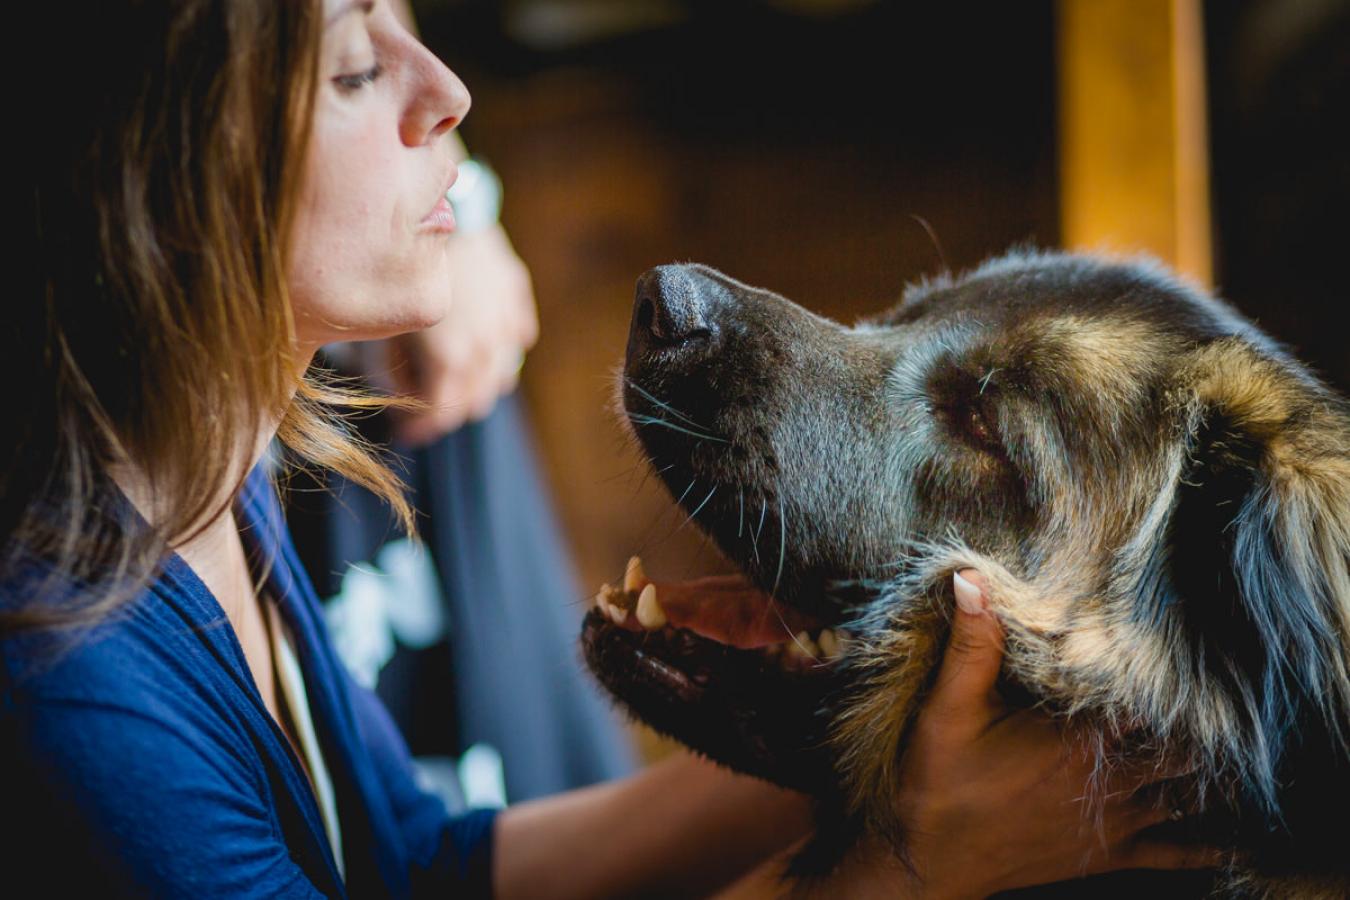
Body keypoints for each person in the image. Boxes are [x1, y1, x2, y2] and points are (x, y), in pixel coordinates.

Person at [2, 0, 1221, 896]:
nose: (448, 93)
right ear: (171, 170)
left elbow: (421, 865)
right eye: (360, 71)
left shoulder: (211, 481)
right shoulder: (75, 685)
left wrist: (891, 757)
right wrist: (917, 862)